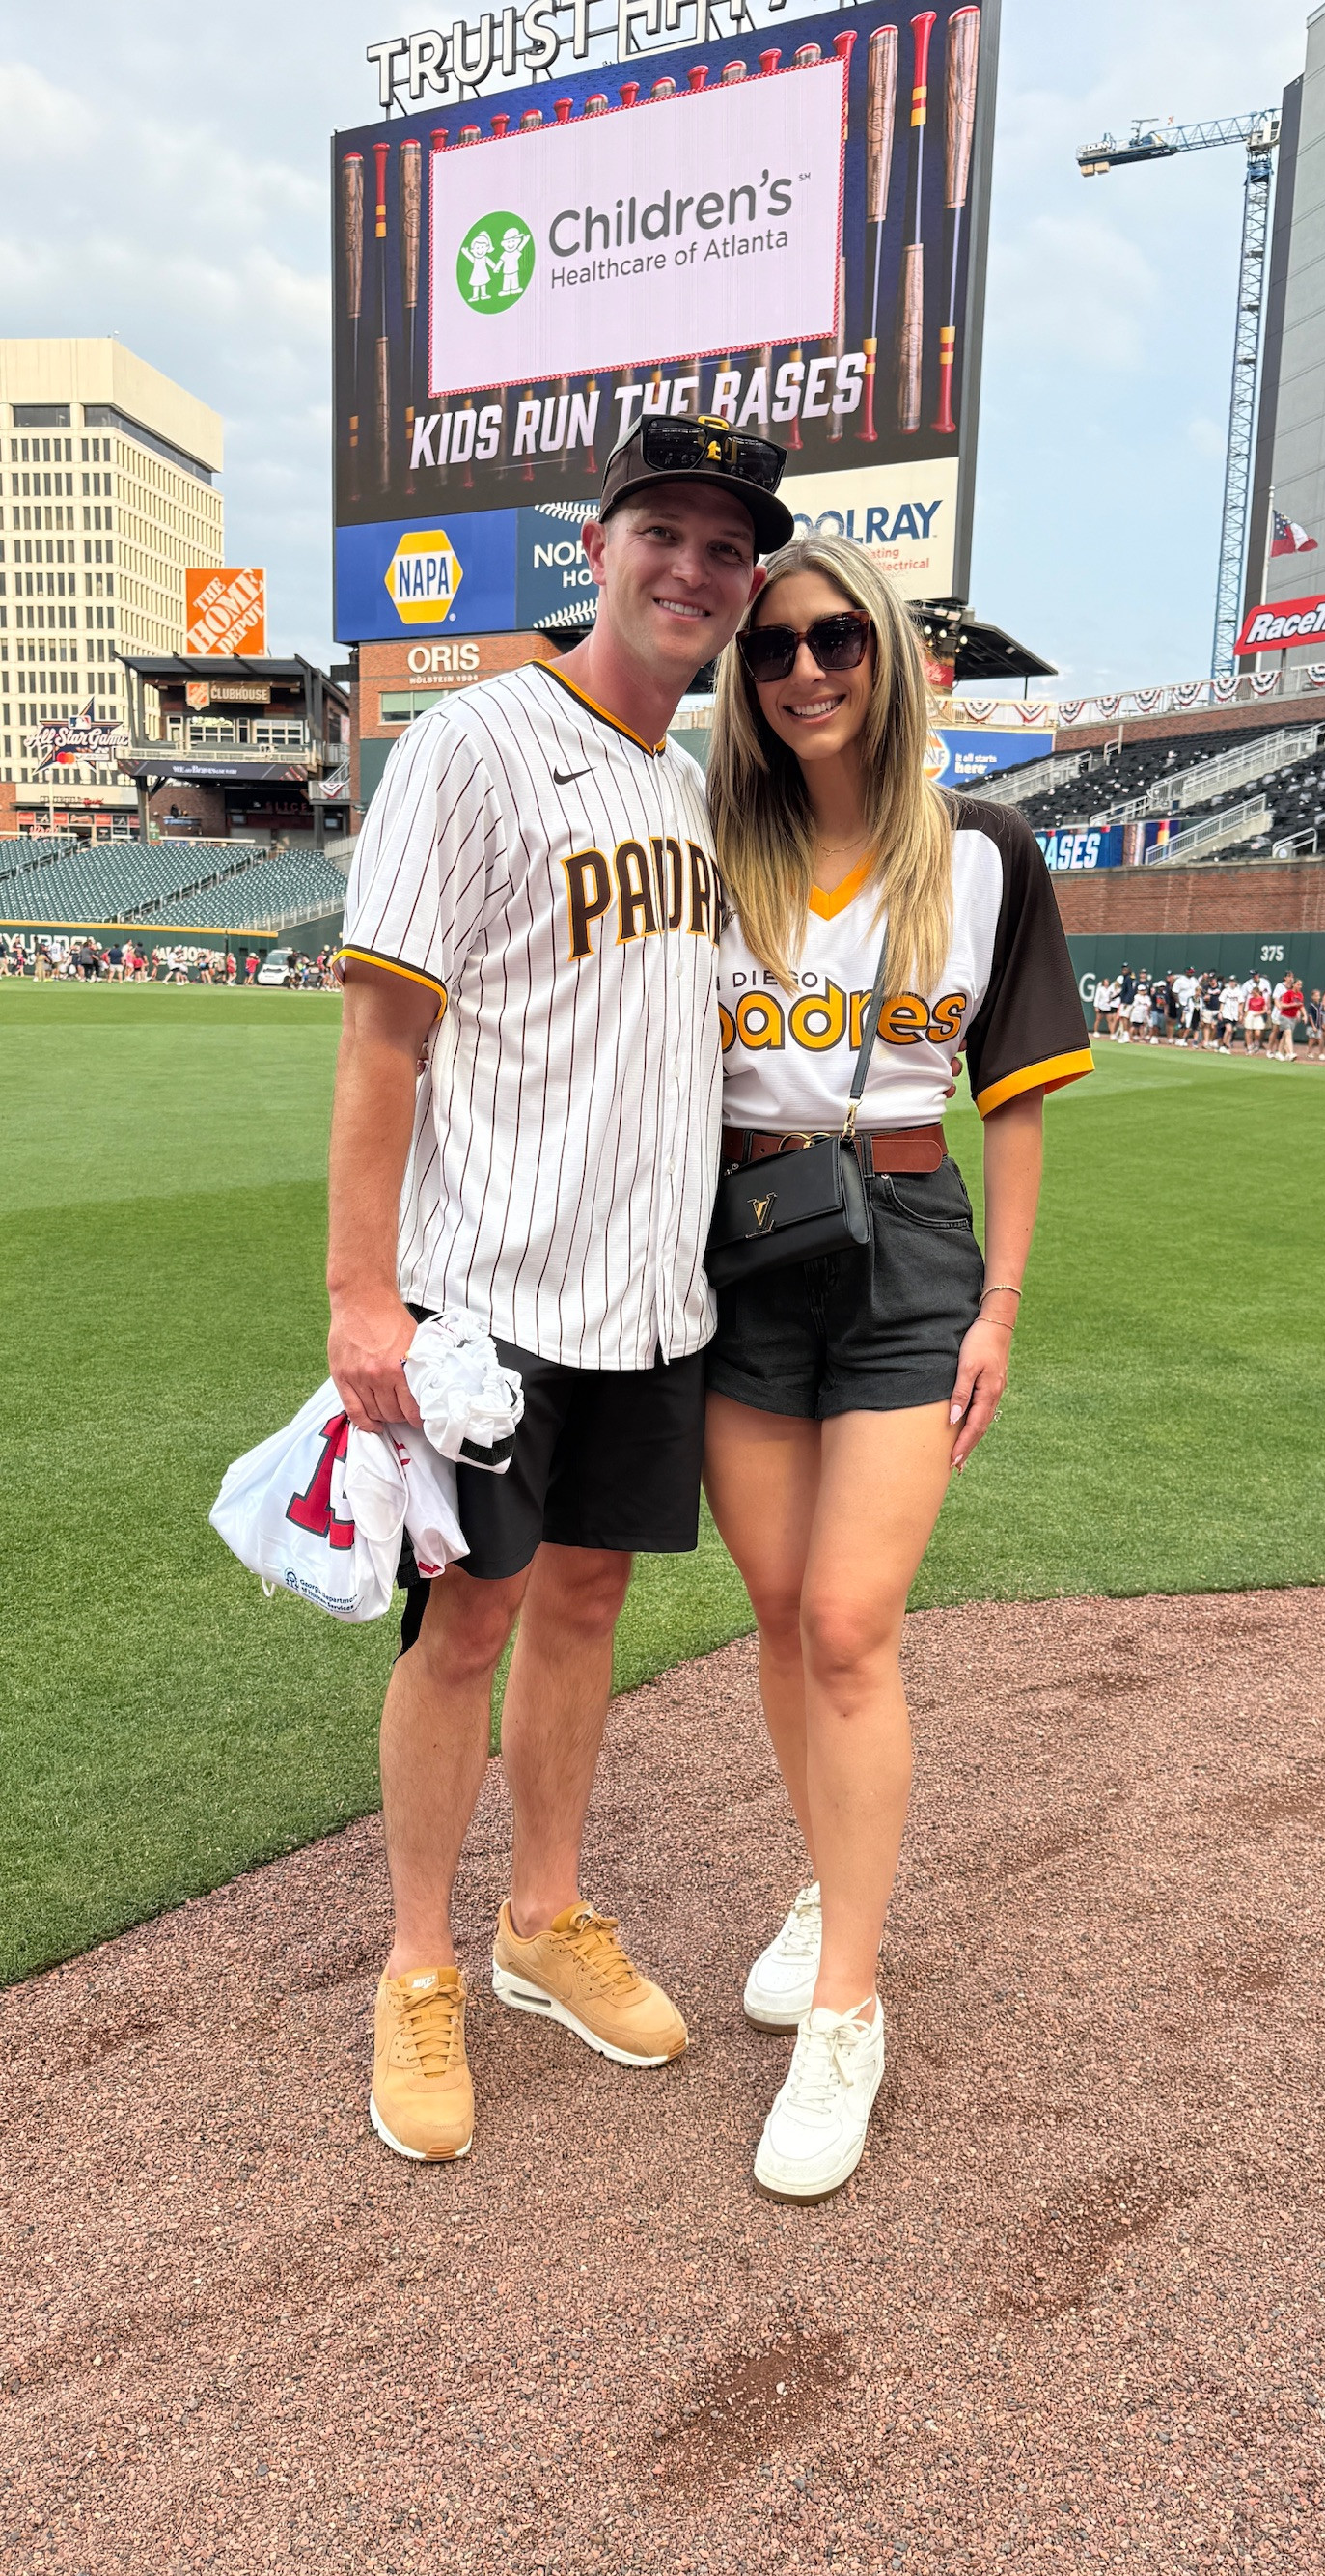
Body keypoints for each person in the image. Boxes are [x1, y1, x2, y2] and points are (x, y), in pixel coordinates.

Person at [326, 413, 791, 2165]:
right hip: (493, 1298)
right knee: (467, 1623)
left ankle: (542, 1924)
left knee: (588, 1603)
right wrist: (361, 1295)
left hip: (653, 1300)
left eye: (726, 546)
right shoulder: (472, 744)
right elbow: (384, 1036)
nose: (694, 567)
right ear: (596, 546)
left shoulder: (689, 790)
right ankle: (422, 1963)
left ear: (747, 586)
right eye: (663, 529)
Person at [704, 536, 1091, 2202]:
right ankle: (824, 1878)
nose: (805, 670)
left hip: (914, 1248)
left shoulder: (984, 848)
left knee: (853, 1622)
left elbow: (1015, 1097)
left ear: (889, 657)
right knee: (782, 1611)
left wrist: (1000, 1308)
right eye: (776, 646)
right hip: (735, 1249)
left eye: (836, 641)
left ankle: (845, 2010)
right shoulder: (712, 845)